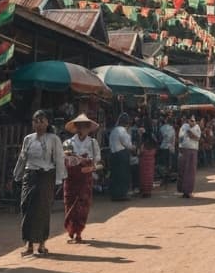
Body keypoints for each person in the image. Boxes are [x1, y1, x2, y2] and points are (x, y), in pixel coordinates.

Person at [13, 109, 66, 256]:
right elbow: (22, 158)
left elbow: (59, 159)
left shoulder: (53, 139)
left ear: (47, 122)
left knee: (42, 209)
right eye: (35, 121)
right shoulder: (28, 139)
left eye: (41, 121)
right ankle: (29, 244)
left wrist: (58, 179)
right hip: (29, 176)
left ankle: (42, 244)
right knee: (26, 207)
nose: (38, 124)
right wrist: (17, 174)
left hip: (46, 176)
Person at [62, 113, 101, 243]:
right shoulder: (68, 143)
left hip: (85, 178)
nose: (81, 129)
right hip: (71, 178)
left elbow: (98, 160)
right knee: (69, 203)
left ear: (88, 128)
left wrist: (90, 165)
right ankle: (71, 230)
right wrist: (75, 159)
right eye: (79, 126)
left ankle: (78, 232)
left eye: (84, 126)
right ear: (75, 127)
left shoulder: (93, 143)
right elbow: (64, 158)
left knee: (83, 205)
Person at [108, 113, 135, 202]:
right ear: (126, 123)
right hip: (121, 155)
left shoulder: (113, 130)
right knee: (123, 174)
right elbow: (128, 144)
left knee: (115, 175)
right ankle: (122, 194)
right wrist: (134, 147)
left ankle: (114, 194)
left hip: (113, 154)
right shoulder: (122, 131)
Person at [177, 114, 201, 198]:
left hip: (192, 150)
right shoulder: (184, 126)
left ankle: (188, 191)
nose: (192, 122)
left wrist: (190, 133)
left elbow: (197, 138)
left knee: (190, 171)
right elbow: (180, 138)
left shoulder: (197, 127)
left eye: (193, 121)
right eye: (191, 120)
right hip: (183, 149)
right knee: (182, 169)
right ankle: (182, 190)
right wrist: (179, 147)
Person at [138, 115, 159, 198]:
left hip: (144, 156)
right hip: (151, 157)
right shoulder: (152, 135)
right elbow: (156, 145)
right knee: (149, 173)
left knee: (144, 173)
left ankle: (144, 191)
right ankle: (148, 191)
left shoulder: (143, 135)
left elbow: (141, 147)